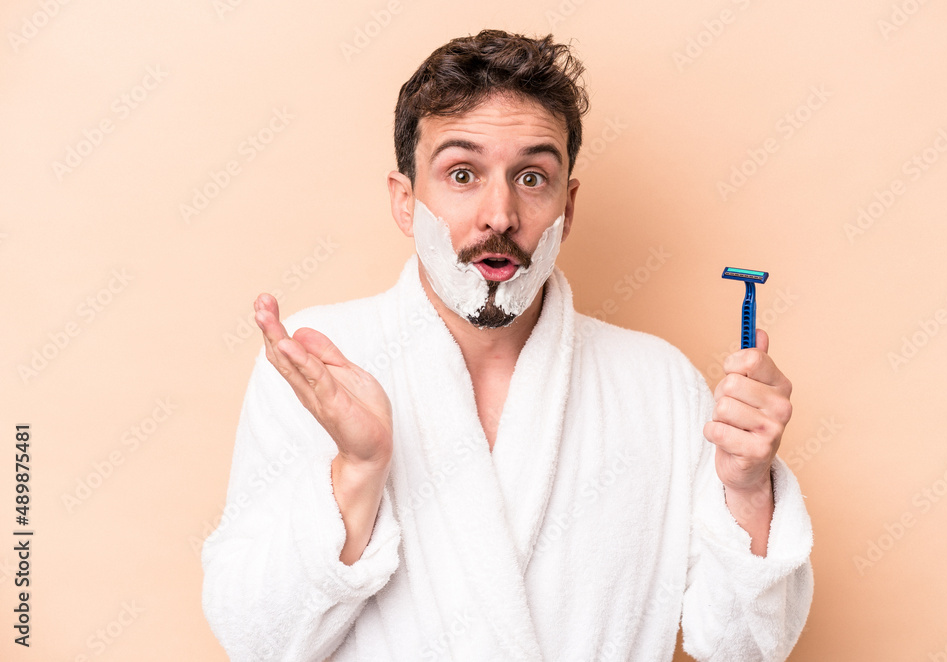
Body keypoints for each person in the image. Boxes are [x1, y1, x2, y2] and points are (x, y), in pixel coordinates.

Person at [201, 28, 814, 662]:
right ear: (405, 202)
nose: (500, 213)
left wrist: (748, 490)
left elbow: (743, 648)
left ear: (567, 208)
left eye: (532, 176)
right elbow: (257, 639)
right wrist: (357, 471)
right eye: (462, 173)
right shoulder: (319, 366)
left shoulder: (657, 385)